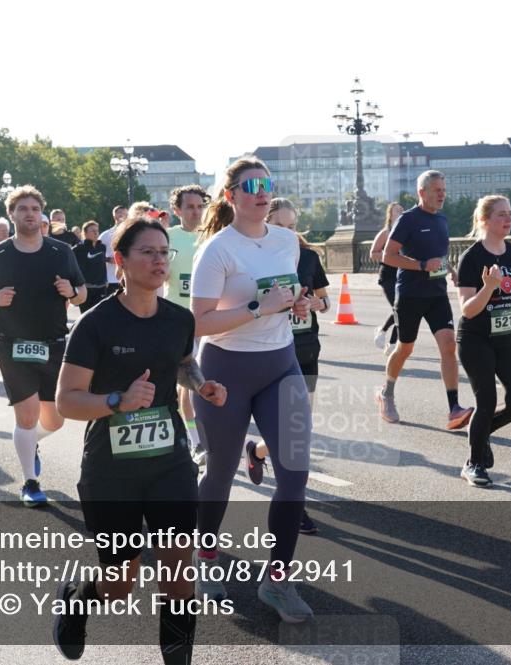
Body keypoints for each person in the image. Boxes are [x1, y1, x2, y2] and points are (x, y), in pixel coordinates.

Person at [53, 216, 227, 663]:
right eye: (147, 252)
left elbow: (182, 363)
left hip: (170, 461)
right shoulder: (95, 324)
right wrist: (118, 401)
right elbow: (67, 401)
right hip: (111, 469)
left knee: (179, 573)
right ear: (121, 261)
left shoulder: (179, 319)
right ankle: (77, 600)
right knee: (119, 585)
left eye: (164, 252)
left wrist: (202, 384)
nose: (158, 260)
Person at [189, 157, 315, 622]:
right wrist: (259, 308)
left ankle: (278, 581)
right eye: (251, 186)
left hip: (281, 365)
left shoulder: (286, 240)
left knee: (295, 474)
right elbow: (200, 322)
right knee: (220, 472)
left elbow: (287, 293)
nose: (262, 192)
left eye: (267, 184)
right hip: (226, 370)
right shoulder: (217, 250)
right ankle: (205, 557)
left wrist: (296, 304)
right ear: (231, 196)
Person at [0, 185, 87, 507]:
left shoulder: (60, 251)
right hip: (13, 345)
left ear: (42, 214)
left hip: (53, 343)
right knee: (27, 416)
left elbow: (82, 294)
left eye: (35, 209)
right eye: (22, 209)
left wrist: (71, 292)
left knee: (55, 419)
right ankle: (30, 482)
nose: (30, 214)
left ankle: (29, 442)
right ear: (11, 215)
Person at [245, 198, 330, 535]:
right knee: (294, 431)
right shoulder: (253, 256)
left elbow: (326, 300)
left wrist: (314, 303)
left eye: (293, 226)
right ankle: (297, 506)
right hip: (269, 350)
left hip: (305, 348)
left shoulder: (308, 256)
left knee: (299, 428)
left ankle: (258, 451)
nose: (288, 233)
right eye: (280, 226)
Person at [456, 196, 511, 488]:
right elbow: (468, 309)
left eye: (510, 214)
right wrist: (488, 287)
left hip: (508, 338)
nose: (508, 219)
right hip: (476, 339)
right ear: (484, 220)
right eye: (501, 215)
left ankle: (480, 433)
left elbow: (508, 297)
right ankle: (473, 463)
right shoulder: (471, 257)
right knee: (487, 401)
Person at [378, 170, 473, 430]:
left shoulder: (441, 218)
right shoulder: (408, 219)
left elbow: (438, 255)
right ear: (422, 192)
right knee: (405, 348)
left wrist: (451, 269)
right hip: (410, 294)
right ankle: (386, 393)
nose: (442, 195)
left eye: (444, 190)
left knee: (449, 345)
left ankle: (454, 408)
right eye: (437, 190)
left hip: (437, 294)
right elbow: (388, 256)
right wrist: (421, 265)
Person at [167, 184, 209, 466]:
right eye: (190, 207)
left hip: (210, 322)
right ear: (177, 210)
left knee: (207, 384)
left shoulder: (214, 236)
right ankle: (196, 443)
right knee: (188, 386)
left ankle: (206, 438)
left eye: (199, 206)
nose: (196, 212)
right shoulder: (166, 237)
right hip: (177, 322)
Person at [371, 202, 403, 354]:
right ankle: (383, 331)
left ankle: (392, 344)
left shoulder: (405, 232)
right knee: (398, 309)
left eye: (402, 211)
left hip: (402, 275)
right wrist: (389, 256)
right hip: (388, 277)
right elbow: (373, 253)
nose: (400, 213)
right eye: (397, 211)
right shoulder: (386, 233)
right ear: (390, 215)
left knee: (402, 309)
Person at [71, 221, 108, 313]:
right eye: (93, 231)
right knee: (86, 316)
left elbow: (103, 265)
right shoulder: (78, 249)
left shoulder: (102, 247)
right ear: (85, 233)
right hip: (86, 289)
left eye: (97, 230)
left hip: (101, 288)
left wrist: (105, 280)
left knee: (100, 315)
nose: (96, 233)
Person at [99, 205, 128, 297]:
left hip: (129, 279)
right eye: (119, 213)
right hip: (111, 280)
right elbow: (96, 255)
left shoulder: (133, 234)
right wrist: (109, 259)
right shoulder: (105, 235)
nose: (122, 215)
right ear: (114, 215)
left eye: (125, 213)